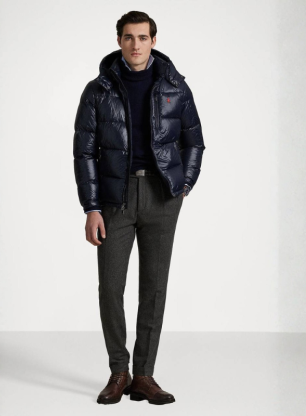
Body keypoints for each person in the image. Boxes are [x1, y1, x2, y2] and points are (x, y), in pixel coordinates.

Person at [73, 11, 205, 405]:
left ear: (153, 41)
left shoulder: (175, 87)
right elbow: (84, 153)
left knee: (154, 288)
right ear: (119, 41)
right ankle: (119, 371)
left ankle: (144, 375)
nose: (136, 44)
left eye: (143, 37)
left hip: (162, 196)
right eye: (129, 37)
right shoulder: (97, 91)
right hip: (115, 198)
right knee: (111, 287)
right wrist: (91, 207)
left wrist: (183, 185)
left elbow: (194, 141)